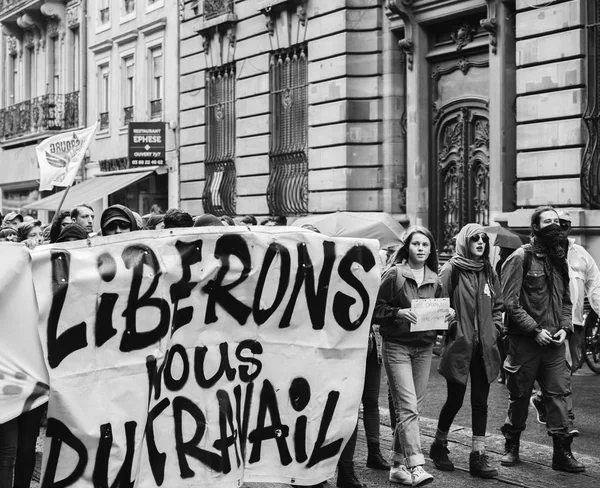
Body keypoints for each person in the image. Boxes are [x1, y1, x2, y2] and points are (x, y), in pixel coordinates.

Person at [500, 205, 584, 473]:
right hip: (525, 343)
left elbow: (567, 300)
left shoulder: (560, 259)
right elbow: (510, 304)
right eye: (547, 221)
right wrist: (534, 330)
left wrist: (565, 327)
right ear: (534, 227)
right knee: (520, 396)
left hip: (555, 344)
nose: (553, 225)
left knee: (559, 396)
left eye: (556, 221)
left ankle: (562, 454)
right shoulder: (519, 258)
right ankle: (511, 446)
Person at [374, 226, 447, 487]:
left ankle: (396, 465)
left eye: (425, 245)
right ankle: (416, 466)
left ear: (431, 250)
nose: (421, 249)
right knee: (407, 407)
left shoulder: (435, 278)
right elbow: (375, 309)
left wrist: (448, 316)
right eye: (416, 244)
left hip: (424, 348)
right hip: (397, 347)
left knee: (411, 409)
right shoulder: (394, 274)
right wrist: (398, 313)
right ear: (408, 247)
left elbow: (436, 312)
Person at [429, 224, 503, 479]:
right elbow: (437, 302)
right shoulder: (452, 269)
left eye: (484, 238)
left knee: (480, 402)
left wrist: (495, 328)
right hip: (460, 346)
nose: (481, 242)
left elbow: (498, 304)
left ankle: (478, 456)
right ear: (465, 242)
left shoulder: (488, 270)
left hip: (485, 346)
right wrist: (450, 324)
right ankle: (438, 445)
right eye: (475, 239)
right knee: (455, 399)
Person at [530, 210, 600, 433]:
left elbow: (595, 285)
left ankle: (542, 399)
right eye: (556, 223)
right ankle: (564, 416)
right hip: (550, 321)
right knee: (563, 367)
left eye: (565, 224)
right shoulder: (541, 253)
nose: (560, 228)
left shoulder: (581, 254)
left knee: (573, 364)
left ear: (570, 227)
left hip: (576, 321)